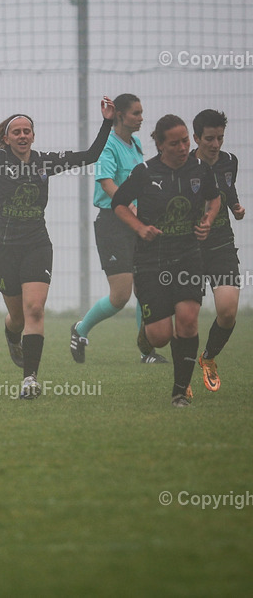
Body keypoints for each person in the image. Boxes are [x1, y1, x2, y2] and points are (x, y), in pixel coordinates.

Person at [0, 94, 114, 399]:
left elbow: (91, 155)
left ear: (33, 136)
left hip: (36, 245)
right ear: (6, 139)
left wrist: (107, 121)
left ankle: (29, 379)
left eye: (27, 131)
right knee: (17, 317)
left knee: (34, 309)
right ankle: (11, 335)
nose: (22, 135)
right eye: (16, 131)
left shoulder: (46, 162)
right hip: (1, 250)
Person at [111, 114, 219, 407]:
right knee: (160, 336)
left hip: (188, 256)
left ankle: (179, 392)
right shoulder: (144, 173)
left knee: (187, 321)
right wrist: (140, 228)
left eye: (185, 141)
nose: (183, 147)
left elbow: (214, 198)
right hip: (151, 260)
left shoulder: (200, 169)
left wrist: (208, 219)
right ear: (160, 145)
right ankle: (146, 336)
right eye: (175, 143)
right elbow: (118, 204)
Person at [70, 94, 168, 364]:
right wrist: (128, 207)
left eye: (142, 112)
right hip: (113, 223)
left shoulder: (135, 143)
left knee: (145, 288)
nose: (141, 117)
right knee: (121, 295)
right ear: (121, 116)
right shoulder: (107, 145)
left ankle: (146, 352)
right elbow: (106, 183)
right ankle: (80, 330)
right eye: (136, 113)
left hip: (137, 222)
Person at [192, 109, 243, 393]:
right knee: (185, 316)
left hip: (222, 243)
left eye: (220, 138)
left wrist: (235, 206)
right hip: (190, 248)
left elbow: (228, 187)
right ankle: (182, 380)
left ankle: (208, 357)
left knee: (227, 312)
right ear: (196, 137)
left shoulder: (229, 161)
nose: (215, 144)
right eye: (209, 138)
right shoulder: (184, 166)